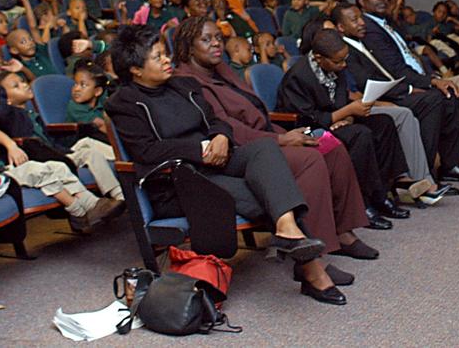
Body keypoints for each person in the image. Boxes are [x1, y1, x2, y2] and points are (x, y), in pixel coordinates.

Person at [105, 25, 344, 305]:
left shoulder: (185, 86)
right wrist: (199, 149)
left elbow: (216, 121)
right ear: (135, 70)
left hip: (218, 159)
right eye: (158, 57)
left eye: (165, 53)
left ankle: (287, 228)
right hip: (180, 178)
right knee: (268, 191)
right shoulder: (123, 103)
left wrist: (220, 136)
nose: (167, 60)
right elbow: (146, 150)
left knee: (266, 149)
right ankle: (313, 272)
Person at [172, 17, 376, 259]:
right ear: (188, 47)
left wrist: (284, 134)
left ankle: (344, 232)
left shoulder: (220, 70)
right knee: (309, 158)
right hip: (243, 150)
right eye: (206, 39)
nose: (216, 44)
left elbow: (255, 112)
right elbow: (228, 127)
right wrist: (282, 140)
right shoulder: (187, 81)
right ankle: (316, 248)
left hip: (270, 134)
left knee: (330, 144)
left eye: (218, 37)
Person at [352, 0, 459, 186]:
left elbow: (409, 55)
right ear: (361, 2)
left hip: (412, 78)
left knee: (450, 94)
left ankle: (450, 165)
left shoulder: (385, 21)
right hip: (393, 89)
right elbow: (394, 68)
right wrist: (429, 82)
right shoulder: (367, 28)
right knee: (435, 98)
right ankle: (425, 173)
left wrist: (432, 78)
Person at [276, 29, 415, 222]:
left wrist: (346, 116)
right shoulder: (298, 76)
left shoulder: (335, 66)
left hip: (334, 120)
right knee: (361, 135)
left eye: (345, 59)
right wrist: (344, 114)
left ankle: (381, 194)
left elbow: (341, 101)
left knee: (384, 123)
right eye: (337, 61)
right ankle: (362, 204)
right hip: (309, 129)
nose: (343, 65)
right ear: (318, 57)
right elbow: (306, 118)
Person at [0, 92, 123, 232]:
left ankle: (85, 209)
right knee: (35, 169)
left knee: (56, 167)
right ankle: (84, 209)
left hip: (3, 170)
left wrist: (10, 145)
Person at [0, 70, 124, 203]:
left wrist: (69, 148)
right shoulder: (10, 116)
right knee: (87, 152)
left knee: (89, 147)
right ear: (7, 100)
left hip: (57, 152)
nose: (24, 85)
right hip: (44, 160)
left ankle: (121, 184)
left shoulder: (31, 114)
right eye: (16, 86)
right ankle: (113, 195)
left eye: (22, 81)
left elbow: (50, 141)